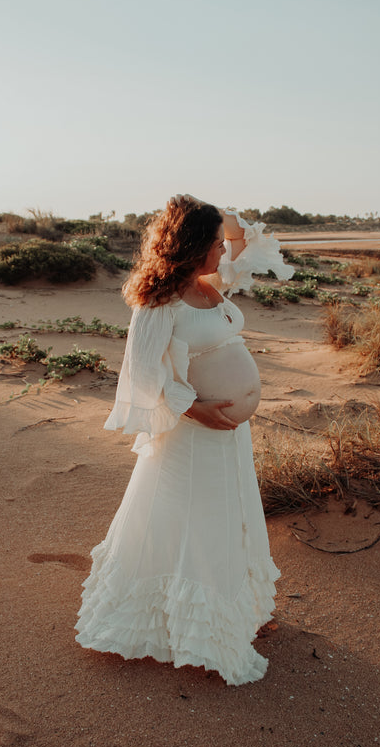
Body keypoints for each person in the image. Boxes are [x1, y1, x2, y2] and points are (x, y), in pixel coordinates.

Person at [75, 195, 294, 685]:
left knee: (222, 517)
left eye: (220, 242)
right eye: (213, 242)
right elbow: (142, 377)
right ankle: (181, 629)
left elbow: (247, 243)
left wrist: (223, 218)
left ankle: (228, 616)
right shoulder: (159, 303)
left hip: (229, 437)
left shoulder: (211, 283)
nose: (223, 250)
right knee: (187, 519)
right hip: (191, 435)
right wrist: (195, 408)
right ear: (194, 246)